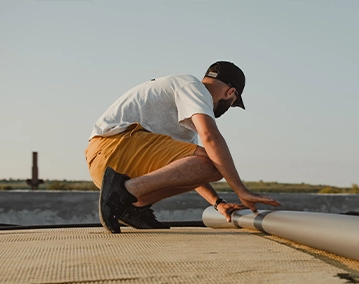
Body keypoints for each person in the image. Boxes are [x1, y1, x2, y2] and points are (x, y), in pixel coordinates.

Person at [85, 61, 281, 233]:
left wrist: (218, 203)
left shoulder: (186, 116)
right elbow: (211, 138)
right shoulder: (192, 86)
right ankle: (124, 192)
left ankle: (132, 205)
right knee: (215, 161)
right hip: (113, 147)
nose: (228, 107)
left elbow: (191, 171)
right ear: (231, 93)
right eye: (232, 103)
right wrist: (241, 190)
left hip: (108, 159)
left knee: (208, 163)